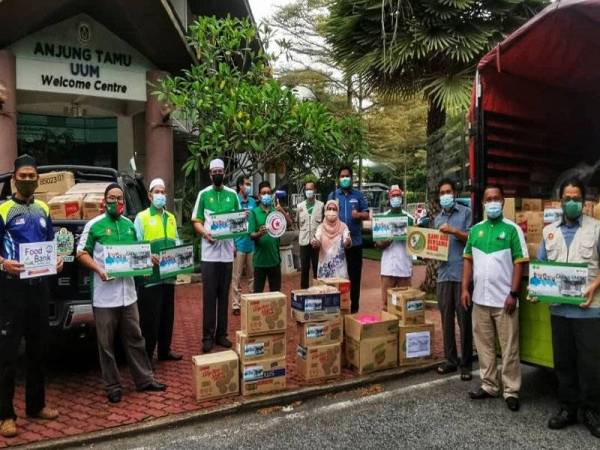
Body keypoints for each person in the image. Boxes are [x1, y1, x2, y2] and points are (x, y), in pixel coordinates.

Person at [76, 183, 166, 404]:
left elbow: (137, 254)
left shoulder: (129, 225)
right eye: (112, 198)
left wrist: (149, 260)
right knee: (106, 344)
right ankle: (113, 385)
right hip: (104, 296)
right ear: (104, 201)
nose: (116, 202)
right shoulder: (94, 225)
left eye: (119, 198)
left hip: (128, 295)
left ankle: (145, 380)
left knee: (135, 338)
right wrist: (99, 269)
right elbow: (80, 253)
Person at [0, 155, 63, 438]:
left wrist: (57, 259)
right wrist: (3, 263)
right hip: (11, 290)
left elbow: (50, 242)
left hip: (39, 288)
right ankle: (5, 416)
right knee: (7, 354)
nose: (27, 180)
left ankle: (36, 405)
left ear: (37, 179)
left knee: (39, 349)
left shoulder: (43, 209)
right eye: (22, 176)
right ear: (14, 178)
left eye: (31, 176)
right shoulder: (3, 210)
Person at [535, 178, 600, 438]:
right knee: (564, 363)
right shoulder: (548, 231)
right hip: (559, 310)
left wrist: (594, 285)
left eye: (576, 198)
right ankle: (568, 408)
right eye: (567, 198)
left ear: (583, 202)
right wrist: (536, 290)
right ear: (560, 201)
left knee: (591, 364)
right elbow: (541, 265)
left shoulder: (596, 228)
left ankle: (592, 411)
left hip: (590, 310)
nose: (571, 202)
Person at [461, 184, 528, 412]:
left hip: (504, 301)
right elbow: (468, 260)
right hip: (480, 300)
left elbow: (520, 262)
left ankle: (511, 390)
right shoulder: (475, 230)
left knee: (509, 348)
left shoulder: (512, 230)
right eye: (488, 198)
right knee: (484, 346)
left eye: (496, 198)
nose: (492, 202)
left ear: (502, 201)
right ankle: (489, 385)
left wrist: (514, 293)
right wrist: (464, 289)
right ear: (482, 203)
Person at [192, 159, 240, 353]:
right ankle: (207, 336)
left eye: (221, 171)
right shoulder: (203, 195)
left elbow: (239, 221)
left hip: (227, 253)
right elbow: (196, 220)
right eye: (215, 172)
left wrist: (235, 243)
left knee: (224, 295)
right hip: (209, 254)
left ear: (224, 174)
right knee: (209, 296)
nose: (218, 174)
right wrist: (205, 233)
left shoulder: (232, 195)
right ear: (210, 175)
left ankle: (222, 334)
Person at [134, 178, 182, 362]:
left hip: (168, 275)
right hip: (150, 277)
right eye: (157, 192)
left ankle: (164, 351)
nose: (160, 195)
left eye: (163, 192)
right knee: (149, 320)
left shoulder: (170, 218)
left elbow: (176, 240)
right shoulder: (142, 217)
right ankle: (147, 356)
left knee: (166, 316)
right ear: (149, 195)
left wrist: (179, 251)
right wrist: (148, 256)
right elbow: (137, 245)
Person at [433, 178, 473, 381]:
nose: (445, 195)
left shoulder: (466, 213)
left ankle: (466, 363)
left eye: (448, 191)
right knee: (446, 318)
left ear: (454, 193)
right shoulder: (437, 219)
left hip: (461, 274)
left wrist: (454, 231)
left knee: (464, 319)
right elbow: (433, 245)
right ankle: (450, 359)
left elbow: (472, 239)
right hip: (443, 274)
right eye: (442, 192)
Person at [328, 166, 369, 313]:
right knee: (337, 277)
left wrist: (358, 215)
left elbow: (367, 214)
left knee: (354, 277)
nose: (345, 178)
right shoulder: (333, 195)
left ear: (351, 178)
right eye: (342, 176)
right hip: (337, 245)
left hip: (355, 244)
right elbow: (327, 216)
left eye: (347, 176)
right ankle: (337, 308)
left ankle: (354, 309)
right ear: (339, 179)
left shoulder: (358, 195)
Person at [374, 185, 414, 309]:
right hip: (387, 268)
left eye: (398, 195)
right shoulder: (382, 218)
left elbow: (416, 243)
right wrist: (386, 240)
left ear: (402, 197)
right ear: (389, 197)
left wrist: (408, 237)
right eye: (393, 195)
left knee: (405, 304)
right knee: (387, 304)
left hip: (404, 267)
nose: (396, 198)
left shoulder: (410, 219)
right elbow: (377, 244)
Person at [249, 181, 292, 293]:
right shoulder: (254, 213)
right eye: (263, 193)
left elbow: (290, 223)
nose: (266, 195)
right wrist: (258, 233)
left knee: (276, 295)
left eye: (268, 192)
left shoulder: (276, 211)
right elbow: (251, 235)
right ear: (259, 196)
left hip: (275, 261)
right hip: (259, 262)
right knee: (257, 295)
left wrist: (281, 210)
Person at [232, 176, 257, 315]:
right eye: (247, 184)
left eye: (249, 184)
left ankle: (253, 302)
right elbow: (230, 222)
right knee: (236, 276)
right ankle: (236, 304)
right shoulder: (234, 200)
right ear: (240, 186)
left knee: (252, 276)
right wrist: (232, 243)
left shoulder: (253, 201)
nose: (249, 186)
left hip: (252, 244)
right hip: (239, 243)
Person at [312, 200, 351, 279]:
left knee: (340, 290)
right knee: (324, 290)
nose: (331, 211)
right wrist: (315, 243)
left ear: (338, 211)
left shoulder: (343, 226)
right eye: (329, 209)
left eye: (334, 209)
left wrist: (348, 241)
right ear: (325, 211)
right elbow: (318, 240)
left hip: (339, 268)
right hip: (324, 268)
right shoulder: (320, 227)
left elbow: (346, 240)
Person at [297, 179, 324, 288]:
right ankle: (304, 292)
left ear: (315, 190)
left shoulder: (321, 205)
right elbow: (299, 223)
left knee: (317, 268)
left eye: (311, 189)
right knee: (304, 268)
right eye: (307, 189)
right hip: (304, 242)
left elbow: (323, 224)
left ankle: (318, 291)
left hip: (316, 242)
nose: (309, 191)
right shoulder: (300, 206)